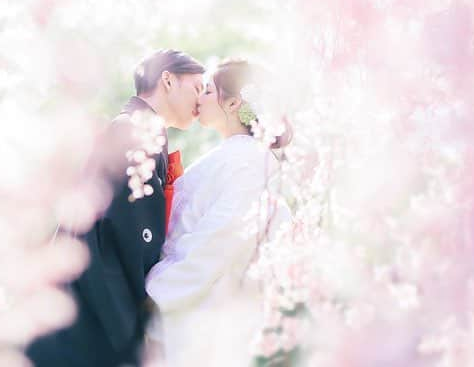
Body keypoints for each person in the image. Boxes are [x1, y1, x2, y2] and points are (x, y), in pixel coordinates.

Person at [26, 49, 205, 367]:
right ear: (167, 80)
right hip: (92, 316)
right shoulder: (137, 133)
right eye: (196, 86)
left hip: (87, 307)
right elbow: (120, 238)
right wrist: (132, 331)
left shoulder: (135, 129)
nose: (201, 98)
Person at [145, 58, 292, 367]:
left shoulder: (252, 161)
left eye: (209, 90)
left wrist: (156, 288)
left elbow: (220, 237)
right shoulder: (235, 156)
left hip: (198, 314)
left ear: (234, 102)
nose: (200, 97)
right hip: (187, 308)